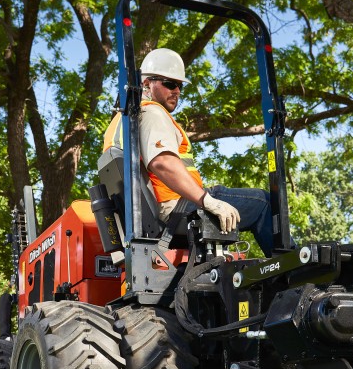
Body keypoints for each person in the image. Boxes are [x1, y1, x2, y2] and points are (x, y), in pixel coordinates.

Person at [104, 48, 281, 257]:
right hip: (178, 207)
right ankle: (292, 274)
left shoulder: (122, 121)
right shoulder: (151, 112)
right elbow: (162, 162)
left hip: (163, 209)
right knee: (265, 203)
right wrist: (207, 200)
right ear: (146, 83)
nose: (177, 90)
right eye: (170, 83)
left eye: (179, 85)